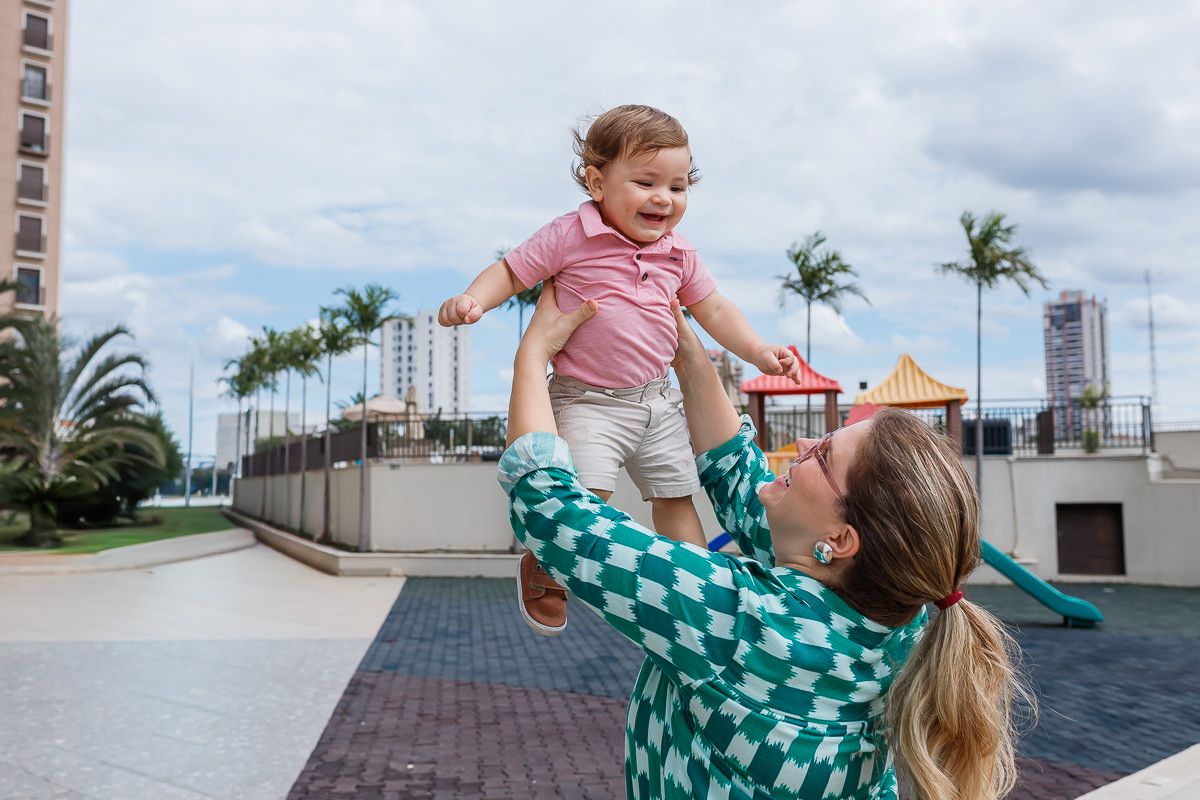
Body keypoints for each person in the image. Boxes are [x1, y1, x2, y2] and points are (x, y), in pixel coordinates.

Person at [498, 281, 1031, 799]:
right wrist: (683, 344)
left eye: (823, 455)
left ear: (839, 539)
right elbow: (738, 476)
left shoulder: (738, 621)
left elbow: (551, 509)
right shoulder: (899, 620)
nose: (802, 442)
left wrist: (534, 352)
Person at [440, 104, 799, 635]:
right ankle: (545, 565)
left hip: (657, 401)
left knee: (676, 495)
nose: (664, 198)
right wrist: (474, 299)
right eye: (645, 182)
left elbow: (715, 309)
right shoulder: (569, 235)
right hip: (587, 400)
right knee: (585, 499)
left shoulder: (679, 254)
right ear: (596, 182)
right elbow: (512, 272)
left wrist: (758, 351)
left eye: (678, 186)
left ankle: (696, 587)